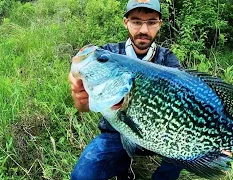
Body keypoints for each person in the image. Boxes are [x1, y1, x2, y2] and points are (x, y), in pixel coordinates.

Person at [68, 0, 183, 179]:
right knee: (81, 176)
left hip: (162, 134)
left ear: (159, 24)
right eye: (136, 21)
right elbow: (82, 106)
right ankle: (123, 169)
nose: (144, 30)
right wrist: (79, 94)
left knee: (184, 150)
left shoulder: (168, 60)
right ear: (126, 22)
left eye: (151, 22)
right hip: (116, 132)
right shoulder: (108, 54)